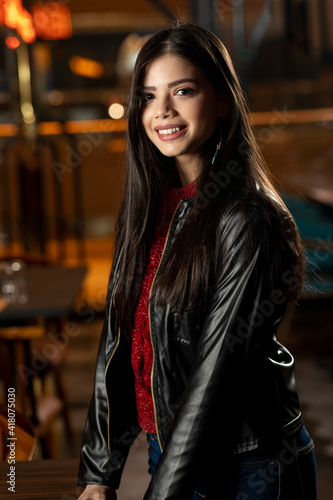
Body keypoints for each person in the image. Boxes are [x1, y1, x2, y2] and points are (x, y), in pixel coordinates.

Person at [77, 22, 317, 500]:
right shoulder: (147, 205)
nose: (162, 111)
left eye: (182, 91)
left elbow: (216, 375)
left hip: (252, 467)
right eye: (147, 96)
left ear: (223, 101)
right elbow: (119, 343)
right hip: (170, 451)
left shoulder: (247, 217)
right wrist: (99, 472)